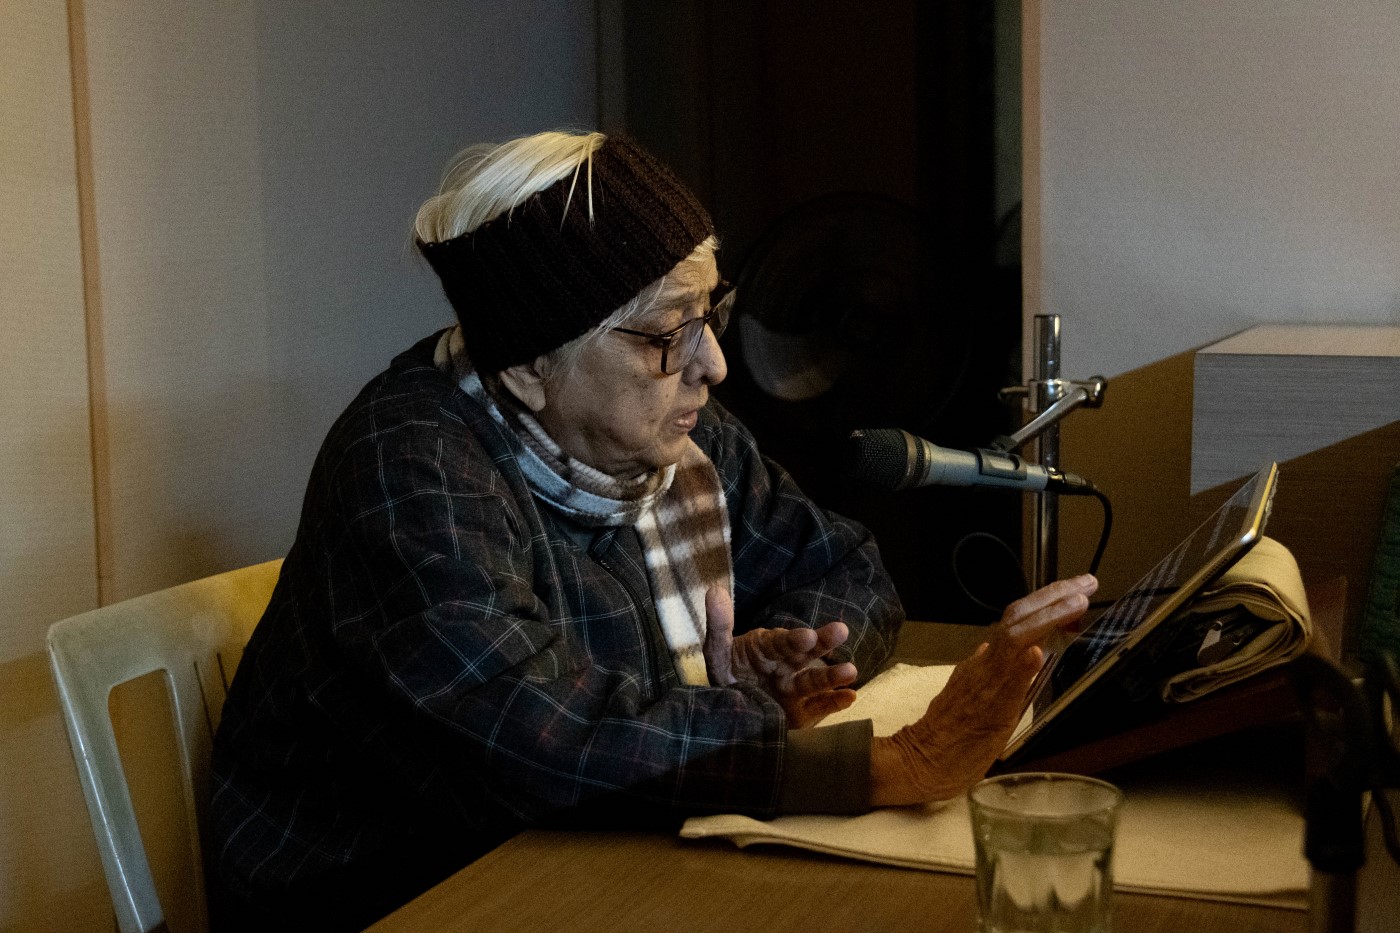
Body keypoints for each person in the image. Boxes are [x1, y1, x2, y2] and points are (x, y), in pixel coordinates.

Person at [207, 130, 1096, 930]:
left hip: (577, 855)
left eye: (710, 312)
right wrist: (887, 763)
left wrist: (781, 670)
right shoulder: (412, 467)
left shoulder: (681, 434)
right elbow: (545, 739)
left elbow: (845, 565)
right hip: (395, 892)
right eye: (670, 332)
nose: (713, 363)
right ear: (529, 367)